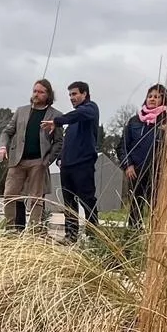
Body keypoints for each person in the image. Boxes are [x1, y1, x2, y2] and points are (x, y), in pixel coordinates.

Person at [0, 79, 63, 231]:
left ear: (48, 94)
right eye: (35, 91)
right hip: (17, 160)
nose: (36, 94)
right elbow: (7, 131)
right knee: (9, 195)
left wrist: (47, 160)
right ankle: (11, 229)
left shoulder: (56, 115)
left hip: (38, 162)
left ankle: (34, 231)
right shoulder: (21, 111)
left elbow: (59, 142)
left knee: (36, 199)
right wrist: (2, 147)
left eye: (41, 92)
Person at [42, 80, 100, 242]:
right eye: (69, 95)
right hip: (67, 166)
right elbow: (68, 141)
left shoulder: (90, 109)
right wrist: (60, 159)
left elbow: (77, 115)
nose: (71, 98)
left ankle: (93, 236)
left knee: (87, 200)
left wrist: (57, 121)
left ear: (85, 94)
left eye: (74, 94)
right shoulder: (72, 122)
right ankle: (71, 236)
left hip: (83, 163)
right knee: (69, 204)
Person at [118, 84, 167, 227]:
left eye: (157, 97)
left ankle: (155, 240)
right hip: (136, 171)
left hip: (158, 172)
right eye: (150, 96)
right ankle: (132, 237)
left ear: (163, 100)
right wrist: (127, 165)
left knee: (157, 209)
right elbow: (122, 145)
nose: (152, 99)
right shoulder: (135, 121)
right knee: (135, 208)